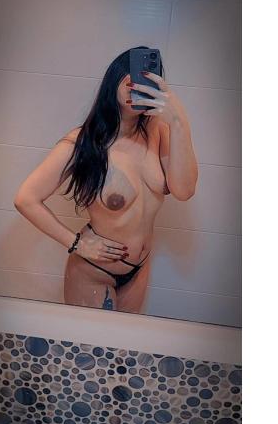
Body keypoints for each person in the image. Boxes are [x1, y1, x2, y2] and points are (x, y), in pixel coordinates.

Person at [13, 46, 198, 313]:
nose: (135, 83)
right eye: (129, 76)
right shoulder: (83, 142)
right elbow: (25, 199)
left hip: (139, 267)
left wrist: (180, 121)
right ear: (115, 79)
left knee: (124, 340)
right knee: (90, 342)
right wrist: (76, 243)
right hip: (94, 271)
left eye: (144, 78)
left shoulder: (158, 132)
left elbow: (184, 190)